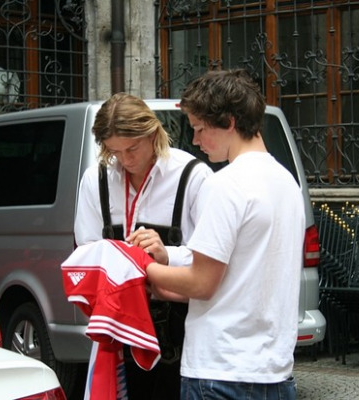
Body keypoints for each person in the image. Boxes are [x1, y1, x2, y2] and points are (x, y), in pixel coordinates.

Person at [145, 69, 305, 400]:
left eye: (200, 128)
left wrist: (140, 268)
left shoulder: (226, 183)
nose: (195, 140)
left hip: (219, 369)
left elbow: (202, 284)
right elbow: (239, 270)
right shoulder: (287, 182)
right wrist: (169, 257)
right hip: (274, 371)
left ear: (230, 122)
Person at [74, 92, 212, 399]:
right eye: (114, 151)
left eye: (132, 148)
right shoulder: (96, 180)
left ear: (152, 134)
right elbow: (85, 249)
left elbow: (214, 256)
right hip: (117, 328)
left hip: (179, 331)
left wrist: (167, 254)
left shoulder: (192, 176)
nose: (125, 160)